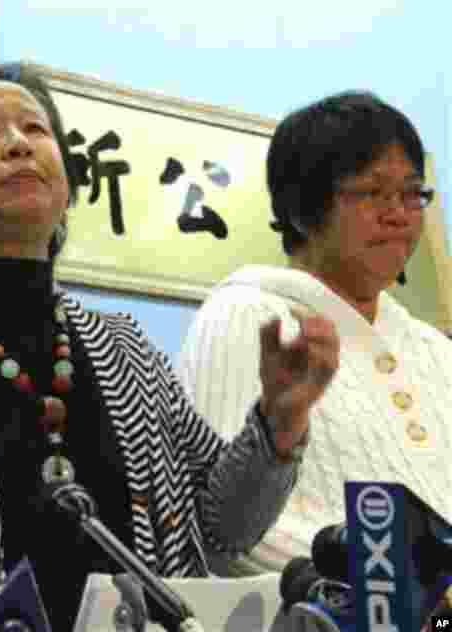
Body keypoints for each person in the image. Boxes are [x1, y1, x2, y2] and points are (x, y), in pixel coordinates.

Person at [0, 64, 340, 631]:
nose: (19, 143)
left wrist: (280, 419)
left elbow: (224, 530)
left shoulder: (126, 347)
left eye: (36, 129)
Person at [177, 91, 452, 575]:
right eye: (372, 192)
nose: (400, 213)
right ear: (303, 208)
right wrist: (391, 585)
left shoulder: (434, 349)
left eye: (412, 193)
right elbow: (220, 525)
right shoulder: (246, 313)